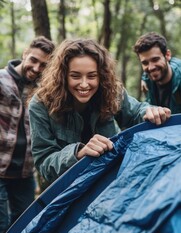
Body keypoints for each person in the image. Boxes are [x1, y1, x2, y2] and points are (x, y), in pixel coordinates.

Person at [28, 38, 171, 184]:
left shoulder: (111, 91)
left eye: (92, 76)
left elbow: (136, 112)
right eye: (75, 76)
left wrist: (150, 111)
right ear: (62, 76)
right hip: (66, 190)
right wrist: (78, 153)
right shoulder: (41, 104)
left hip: (111, 181)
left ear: (101, 76)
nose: (84, 84)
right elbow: (44, 163)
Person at [0, 36, 55, 233]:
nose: (37, 67)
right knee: (2, 224)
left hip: (24, 172)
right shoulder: (1, 80)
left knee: (25, 225)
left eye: (43, 65)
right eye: (34, 60)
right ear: (25, 54)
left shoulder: (42, 91)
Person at [134, 32, 181, 113]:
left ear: (167, 55)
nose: (151, 67)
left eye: (155, 59)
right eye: (145, 63)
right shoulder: (147, 81)